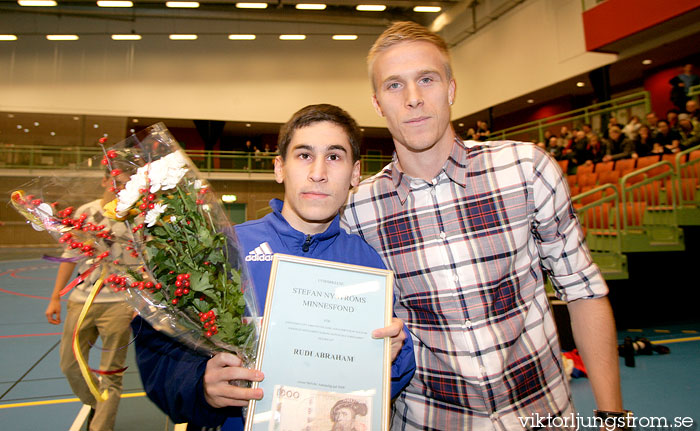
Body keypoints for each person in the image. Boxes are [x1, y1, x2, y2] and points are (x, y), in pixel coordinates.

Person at [342, 21, 626, 429]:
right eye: (394, 86)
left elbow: (582, 292)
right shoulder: (359, 210)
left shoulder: (526, 169)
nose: (414, 99)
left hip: (542, 413)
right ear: (377, 103)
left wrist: (613, 417)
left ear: (451, 89)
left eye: (427, 79)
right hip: (430, 420)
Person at [131, 104, 416, 431]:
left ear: (355, 173)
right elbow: (160, 355)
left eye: (335, 157)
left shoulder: (369, 263)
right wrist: (199, 384)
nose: (318, 172)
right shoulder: (222, 250)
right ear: (279, 167)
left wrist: (394, 355)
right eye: (304, 155)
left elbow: (381, 391)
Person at [46, 172, 135, 431]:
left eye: (127, 183)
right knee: (69, 365)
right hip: (81, 300)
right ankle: (98, 401)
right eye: (116, 181)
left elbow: (144, 264)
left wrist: (140, 306)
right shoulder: (85, 212)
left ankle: (101, 425)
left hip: (119, 304)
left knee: (111, 374)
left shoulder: (136, 216)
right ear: (105, 181)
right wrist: (55, 297)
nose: (120, 187)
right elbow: (70, 254)